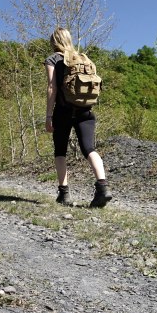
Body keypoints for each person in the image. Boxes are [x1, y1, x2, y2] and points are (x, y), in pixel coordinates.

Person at [44, 27, 112, 207]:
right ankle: (103, 188)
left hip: (63, 110)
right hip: (85, 109)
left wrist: (49, 115)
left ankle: (64, 194)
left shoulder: (53, 59)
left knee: (60, 151)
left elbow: (52, 88)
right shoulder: (83, 59)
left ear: (54, 42)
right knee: (89, 148)